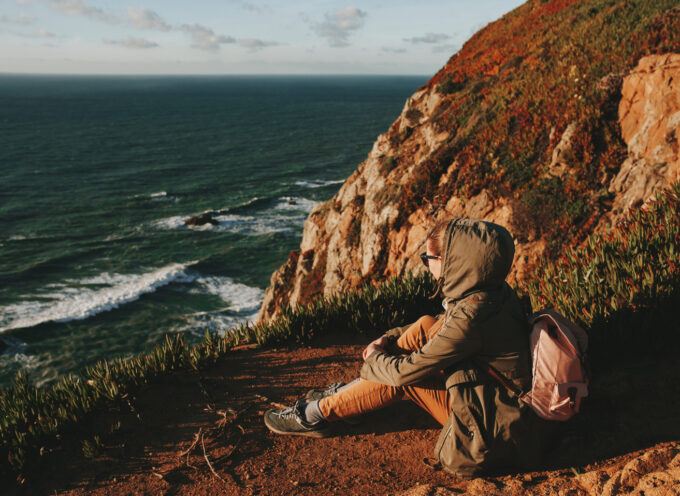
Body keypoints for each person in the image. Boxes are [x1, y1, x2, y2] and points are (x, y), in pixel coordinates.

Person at [263, 218, 540, 477]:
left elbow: (403, 373)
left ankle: (316, 414)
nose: (426, 265)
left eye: (427, 259)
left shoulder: (472, 318)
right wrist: (389, 338)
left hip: (490, 435)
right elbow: (439, 327)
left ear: (452, 262)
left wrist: (375, 357)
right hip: (495, 402)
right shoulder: (494, 292)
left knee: (405, 379)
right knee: (425, 325)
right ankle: (351, 397)